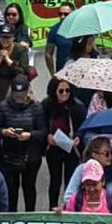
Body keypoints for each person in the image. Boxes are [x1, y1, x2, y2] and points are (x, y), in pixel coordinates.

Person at [0, 74, 46, 211]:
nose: (19, 99)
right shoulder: (3, 107)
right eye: (16, 96)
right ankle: (12, 216)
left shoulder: (36, 107)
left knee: (29, 188)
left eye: (22, 96)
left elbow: (43, 131)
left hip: (31, 156)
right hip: (10, 155)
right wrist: (5, 132)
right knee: (12, 189)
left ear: (27, 92)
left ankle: (30, 216)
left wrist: (30, 135)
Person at [42, 77, 86, 209]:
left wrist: (78, 137)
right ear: (54, 91)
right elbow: (41, 124)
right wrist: (47, 136)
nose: (65, 93)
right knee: (55, 180)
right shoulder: (46, 105)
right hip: (53, 147)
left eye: (67, 90)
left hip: (71, 148)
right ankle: (52, 208)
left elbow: (82, 127)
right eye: (61, 91)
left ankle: (68, 208)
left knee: (70, 180)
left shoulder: (78, 107)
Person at [0, 24, 30, 123]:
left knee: (11, 123)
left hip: (13, 92)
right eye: (3, 37)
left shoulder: (20, 49)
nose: (5, 40)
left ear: (13, 37)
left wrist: (8, 60)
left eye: (8, 37)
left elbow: (23, 72)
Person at [45, 3, 74, 77]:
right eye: (60, 14)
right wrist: (52, 73)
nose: (62, 16)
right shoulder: (55, 30)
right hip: (62, 71)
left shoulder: (81, 28)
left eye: (66, 14)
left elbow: (91, 46)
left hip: (80, 70)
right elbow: (48, 53)